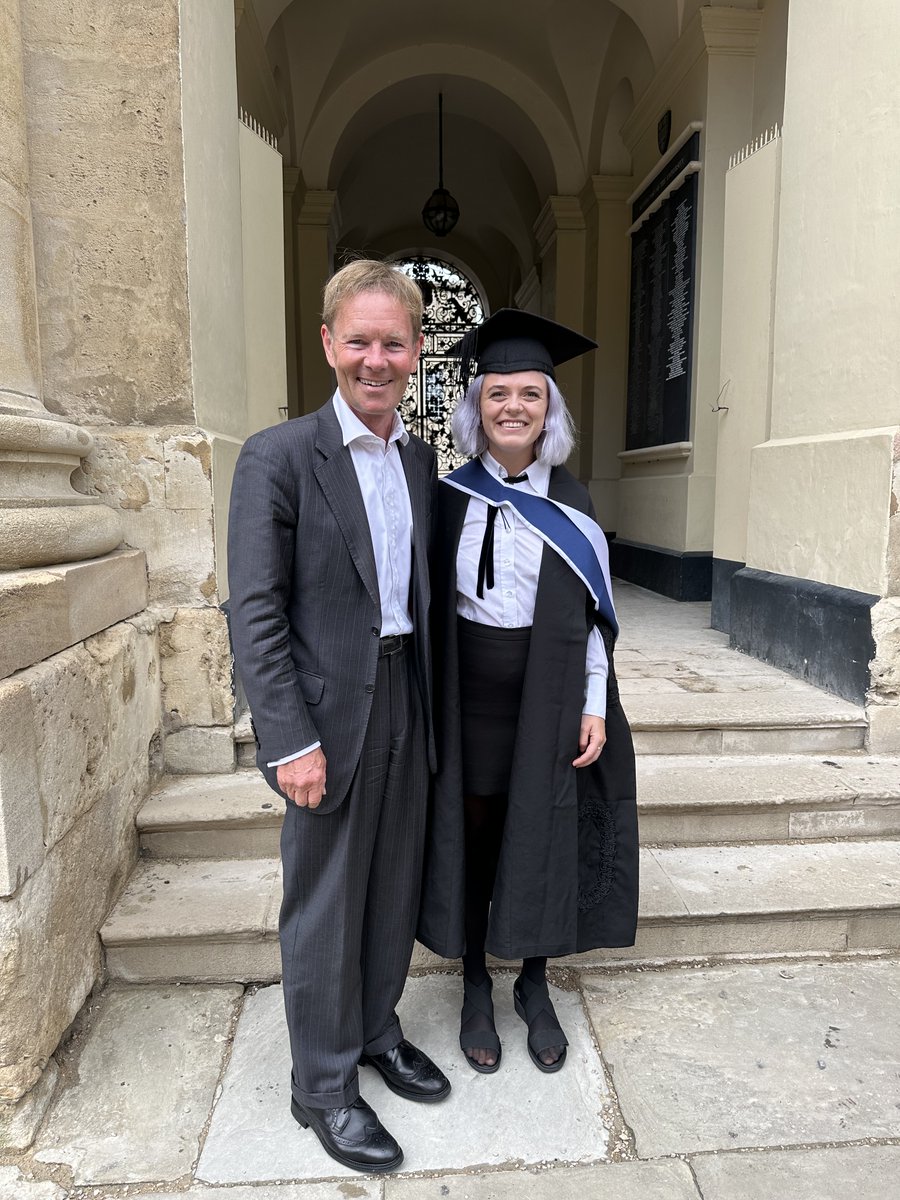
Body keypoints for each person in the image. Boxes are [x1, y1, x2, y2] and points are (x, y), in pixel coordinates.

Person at [227, 260, 448, 1175]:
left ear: (417, 350)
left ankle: (374, 1030)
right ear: (327, 343)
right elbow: (255, 610)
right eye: (358, 340)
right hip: (324, 714)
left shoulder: (422, 458)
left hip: (406, 695)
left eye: (393, 342)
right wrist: (289, 739)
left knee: (392, 886)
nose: (376, 359)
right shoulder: (278, 458)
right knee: (323, 906)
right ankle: (320, 1084)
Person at [418, 309, 638, 1075]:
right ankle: (476, 981)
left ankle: (533, 984)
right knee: (476, 839)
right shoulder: (446, 497)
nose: (513, 407)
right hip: (467, 698)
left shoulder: (574, 508)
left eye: (530, 395)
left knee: (542, 833)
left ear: (551, 411)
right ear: (476, 405)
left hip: (546, 697)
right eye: (498, 393)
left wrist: (592, 704)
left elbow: (593, 623)